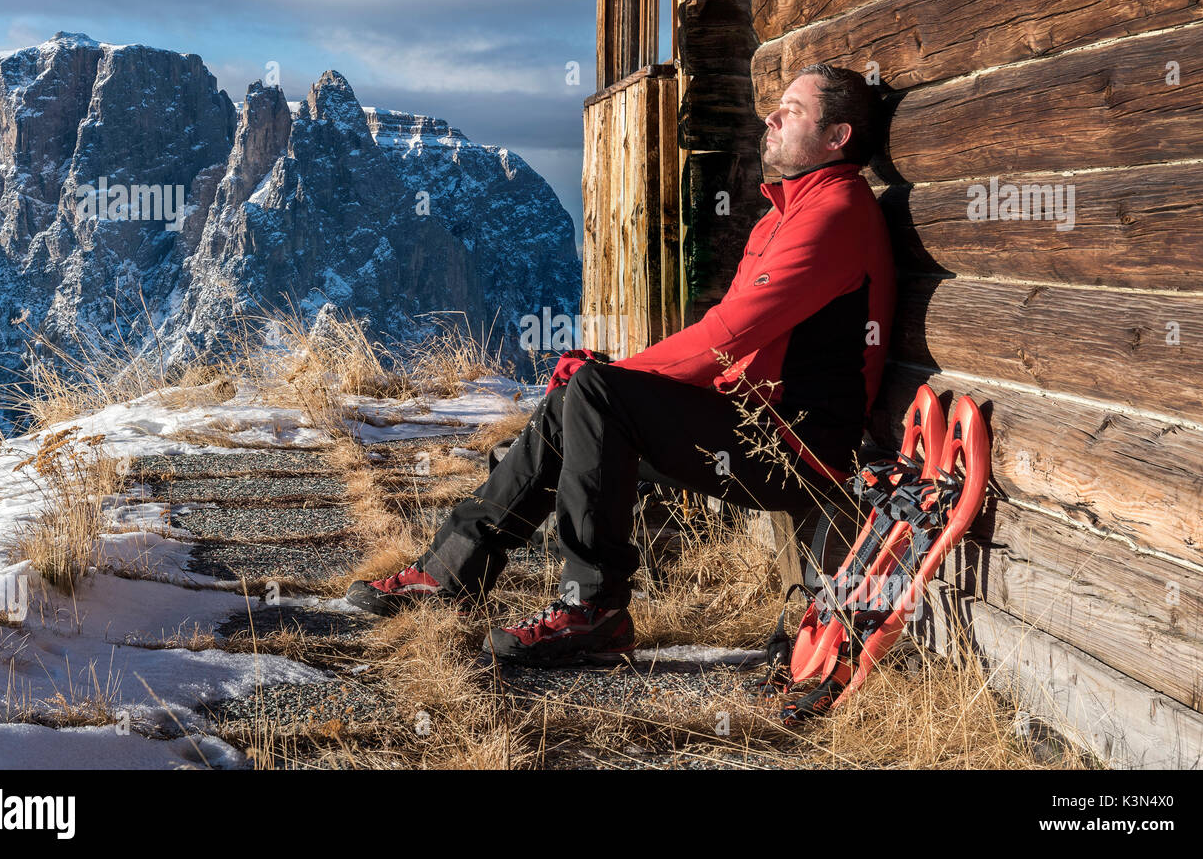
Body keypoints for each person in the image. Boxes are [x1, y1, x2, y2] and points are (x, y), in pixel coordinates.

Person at [346, 63, 896, 665]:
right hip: (754, 420)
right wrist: (609, 375)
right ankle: (451, 571)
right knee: (576, 396)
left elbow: (728, 336)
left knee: (597, 391)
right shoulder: (784, 213)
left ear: (836, 137)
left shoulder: (834, 214)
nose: (772, 116)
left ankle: (594, 608)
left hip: (796, 448)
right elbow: (732, 342)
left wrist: (618, 374)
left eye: (791, 109)